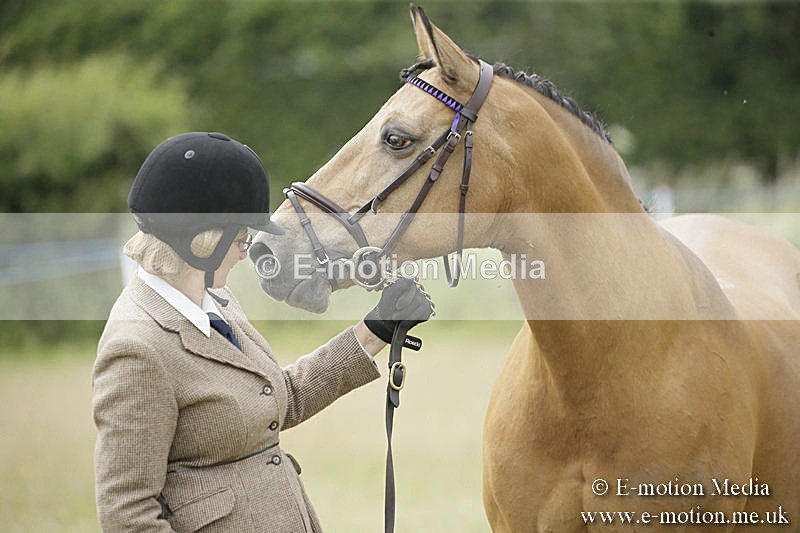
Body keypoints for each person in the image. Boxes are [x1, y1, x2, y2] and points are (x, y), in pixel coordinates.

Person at [92, 132, 432, 532]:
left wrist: (376, 328)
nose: (244, 252)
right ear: (200, 241)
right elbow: (126, 514)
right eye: (241, 238)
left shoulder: (214, 299)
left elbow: (276, 399)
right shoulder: (137, 349)